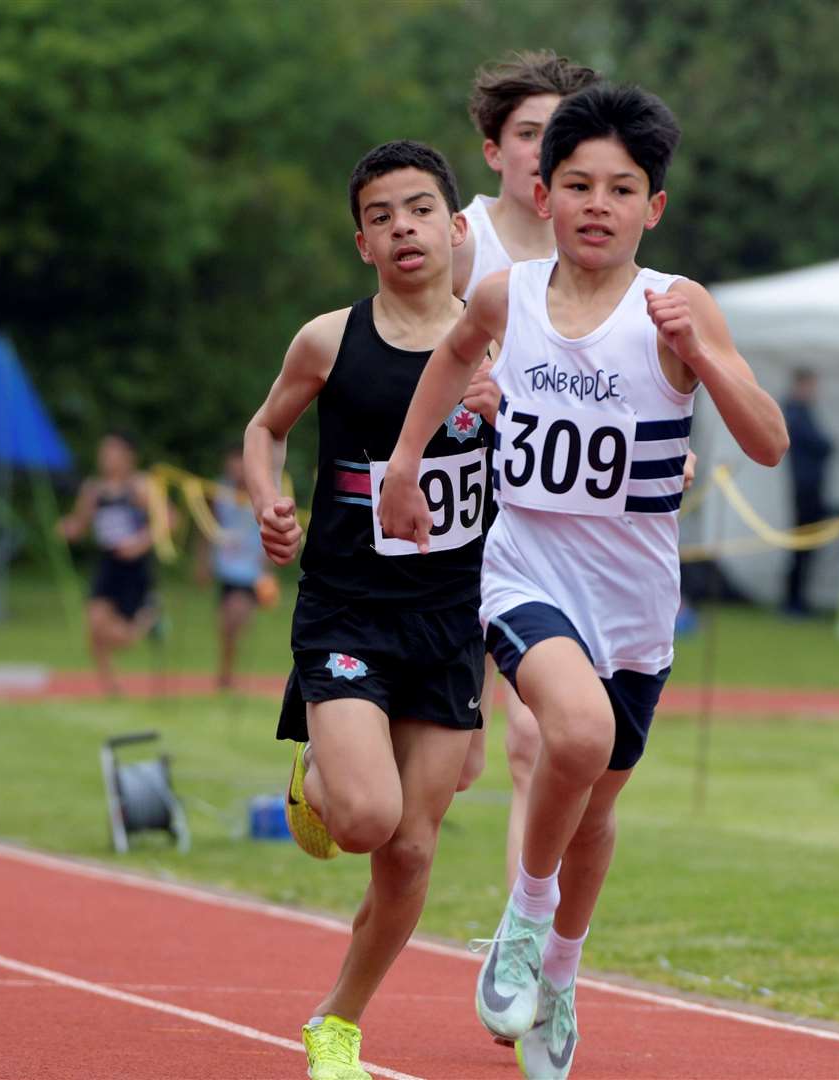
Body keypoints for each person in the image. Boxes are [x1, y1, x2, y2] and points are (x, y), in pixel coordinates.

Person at [379, 84, 788, 1079]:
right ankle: (523, 921)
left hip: (636, 600)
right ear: (544, 194)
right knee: (577, 729)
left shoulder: (676, 306)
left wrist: (705, 360)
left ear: (653, 206)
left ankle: (558, 973)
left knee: (598, 808)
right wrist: (403, 461)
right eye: (577, 185)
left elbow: (768, 442)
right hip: (524, 568)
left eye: (622, 188)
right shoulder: (505, 294)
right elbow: (452, 359)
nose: (597, 204)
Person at [243, 140, 490, 1080]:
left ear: (454, 226)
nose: (403, 228)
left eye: (419, 209)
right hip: (346, 611)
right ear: (362, 242)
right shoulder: (329, 340)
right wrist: (269, 498)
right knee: (365, 821)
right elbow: (266, 427)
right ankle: (322, 778)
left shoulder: (502, 344)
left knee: (414, 850)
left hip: (451, 620)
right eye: (382, 216)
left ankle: (336, 1022)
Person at [452, 50, 603, 885]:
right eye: (528, 134)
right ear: (493, 150)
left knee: (532, 741)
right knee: (452, 762)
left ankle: (523, 942)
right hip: (445, 517)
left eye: (559, 136)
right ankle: (334, 765)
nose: (543, 153)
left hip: (538, 522)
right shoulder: (457, 240)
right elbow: (390, 351)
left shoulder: (592, 251)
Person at [57, 431, 158, 694]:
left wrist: (139, 544)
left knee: (123, 637)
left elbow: (168, 521)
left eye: (113, 451)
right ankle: (109, 685)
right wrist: (67, 528)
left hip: (134, 568)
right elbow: (80, 525)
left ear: (129, 456)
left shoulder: (139, 486)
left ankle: (147, 621)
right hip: (108, 563)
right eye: (104, 451)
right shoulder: (94, 489)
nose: (107, 458)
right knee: (94, 624)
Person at [194, 446, 273, 690]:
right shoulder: (219, 491)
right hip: (226, 570)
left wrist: (269, 568)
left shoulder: (264, 491)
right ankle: (226, 676)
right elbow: (207, 528)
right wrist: (202, 562)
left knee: (235, 618)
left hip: (251, 573)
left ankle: (229, 677)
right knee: (225, 627)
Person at [781, 367, 833, 616]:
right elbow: (819, 443)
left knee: (807, 547)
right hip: (804, 488)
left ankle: (798, 599)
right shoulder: (794, 413)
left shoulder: (804, 412)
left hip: (811, 486)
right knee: (801, 546)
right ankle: (793, 600)